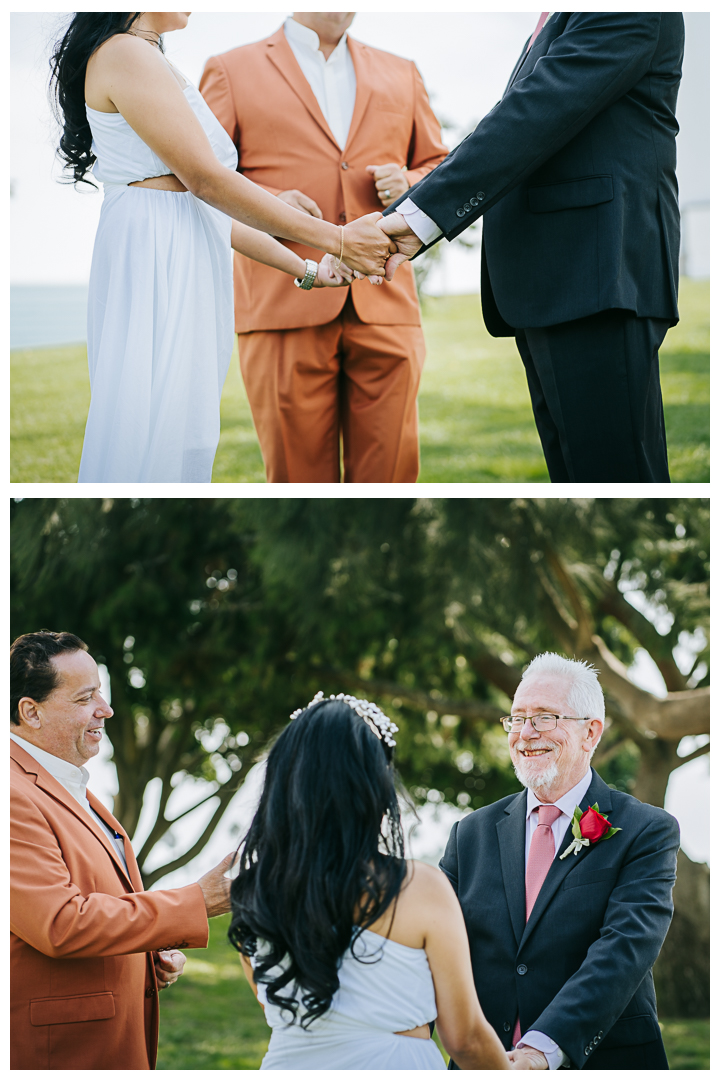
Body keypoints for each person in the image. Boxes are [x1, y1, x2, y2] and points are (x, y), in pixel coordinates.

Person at [49, 13, 394, 484]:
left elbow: (201, 207)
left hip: (183, 253)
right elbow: (207, 182)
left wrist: (307, 268)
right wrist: (338, 238)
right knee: (148, 430)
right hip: (156, 259)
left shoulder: (146, 55)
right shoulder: (125, 53)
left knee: (184, 433)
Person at [380, 13, 685, 483]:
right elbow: (520, 119)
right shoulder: (556, 17)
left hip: (597, 278)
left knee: (613, 479)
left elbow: (534, 115)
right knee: (579, 476)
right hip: (558, 279)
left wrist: (415, 218)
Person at [199, 13, 448, 484]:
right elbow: (202, 181)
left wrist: (412, 180)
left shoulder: (403, 71)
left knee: (391, 483)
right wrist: (272, 202)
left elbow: (441, 164)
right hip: (282, 301)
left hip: (387, 301)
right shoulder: (229, 69)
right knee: (297, 485)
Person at [228, 691, 513, 1070]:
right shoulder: (419, 888)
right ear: (372, 787)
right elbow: (466, 1040)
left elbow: (277, 1006)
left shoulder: (253, 894)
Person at [438, 653, 680, 1070]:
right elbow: (433, 943)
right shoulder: (470, 834)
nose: (526, 733)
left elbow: (623, 948)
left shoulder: (647, 831)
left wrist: (541, 1051)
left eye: (545, 717)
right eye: (516, 719)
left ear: (591, 732)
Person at [10, 630, 235, 1070]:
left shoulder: (74, 789)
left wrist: (147, 956)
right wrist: (195, 903)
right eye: (84, 698)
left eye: (103, 694)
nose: (106, 710)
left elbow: (99, 904)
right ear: (30, 711)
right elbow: (61, 923)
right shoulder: (11, 794)